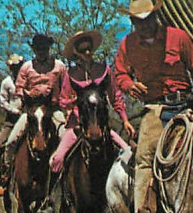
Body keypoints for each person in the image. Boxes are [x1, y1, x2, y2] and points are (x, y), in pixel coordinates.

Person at [113, 0, 193, 213]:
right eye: (138, 21)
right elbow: (119, 75)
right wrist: (129, 85)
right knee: (145, 157)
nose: (144, 25)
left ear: (156, 16)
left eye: (148, 19)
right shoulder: (128, 45)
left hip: (187, 104)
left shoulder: (178, 38)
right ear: (133, 23)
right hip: (155, 109)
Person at [50, 29, 135, 175]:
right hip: (77, 126)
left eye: (89, 48)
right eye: (83, 50)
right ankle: (52, 196)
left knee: (128, 152)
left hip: (101, 126)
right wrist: (75, 106)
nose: (87, 53)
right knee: (58, 159)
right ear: (76, 52)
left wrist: (125, 120)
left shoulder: (104, 70)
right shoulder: (71, 75)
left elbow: (116, 97)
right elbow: (63, 100)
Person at [1, 33, 68, 172]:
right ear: (34, 50)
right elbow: (19, 87)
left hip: (53, 109)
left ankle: (66, 174)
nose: (41, 51)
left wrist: (61, 101)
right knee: (11, 141)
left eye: (44, 48)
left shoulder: (59, 67)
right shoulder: (26, 67)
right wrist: (29, 95)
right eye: (38, 48)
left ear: (49, 49)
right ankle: (6, 174)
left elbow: (66, 87)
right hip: (32, 109)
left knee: (65, 136)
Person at [0, 53, 25, 191]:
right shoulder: (7, 82)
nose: (16, 69)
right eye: (14, 67)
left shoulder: (28, 80)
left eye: (18, 66)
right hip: (12, 120)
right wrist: (15, 111)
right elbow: (3, 103)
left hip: (27, 116)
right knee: (1, 143)